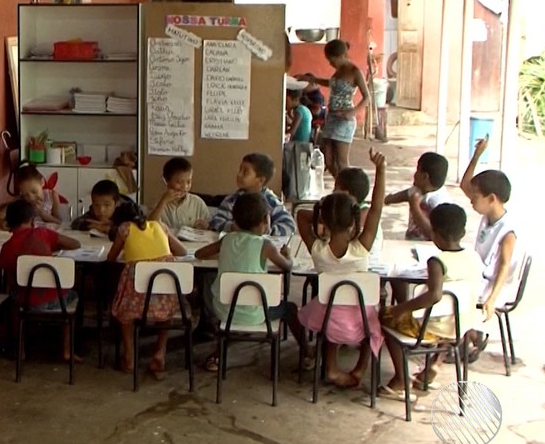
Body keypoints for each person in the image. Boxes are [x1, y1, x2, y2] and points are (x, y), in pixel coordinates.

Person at [291, 150, 387, 388]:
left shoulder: (318, 250)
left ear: (324, 220)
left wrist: (320, 213)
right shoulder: (362, 247)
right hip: (361, 322)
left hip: (328, 320)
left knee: (329, 310)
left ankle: (332, 369)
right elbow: (375, 208)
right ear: (356, 221)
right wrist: (381, 170)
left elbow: (301, 215)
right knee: (377, 317)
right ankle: (359, 369)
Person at [379, 204, 481, 397]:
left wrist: (401, 309)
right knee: (444, 317)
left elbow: (434, 295)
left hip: (432, 328)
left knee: (384, 318)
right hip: (461, 325)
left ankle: (400, 380)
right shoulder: (473, 257)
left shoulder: (437, 261)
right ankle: (433, 367)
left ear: (435, 233)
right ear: (463, 231)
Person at [195, 193, 304, 372]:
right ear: (265, 221)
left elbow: (199, 254)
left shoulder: (226, 240)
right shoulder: (265, 246)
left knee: (235, 308)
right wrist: (288, 255)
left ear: (235, 220)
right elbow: (288, 267)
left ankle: (217, 353)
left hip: (223, 311)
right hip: (256, 314)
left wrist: (224, 253)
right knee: (290, 308)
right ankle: (307, 353)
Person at [107, 202, 188, 378]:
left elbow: (111, 258)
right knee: (166, 315)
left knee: (124, 315)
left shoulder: (124, 228)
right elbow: (182, 251)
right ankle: (160, 352)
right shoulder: (160, 225)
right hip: (164, 303)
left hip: (136, 304)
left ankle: (129, 356)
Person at [0, 200, 82, 363]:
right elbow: (75, 244)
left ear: (8, 222)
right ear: (32, 220)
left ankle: (20, 349)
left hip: (26, 302)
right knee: (75, 295)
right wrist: (51, 248)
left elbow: (11, 282)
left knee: (13, 301)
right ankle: (66, 350)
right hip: (58, 302)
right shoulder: (43, 233)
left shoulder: (7, 247)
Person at [460, 136, 519, 362]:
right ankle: (471, 335)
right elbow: (466, 185)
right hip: (480, 275)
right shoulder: (488, 213)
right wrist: (477, 156)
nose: (471, 200)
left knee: (451, 291)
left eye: (476, 197)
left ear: (492, 198)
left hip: (494, 284)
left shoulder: (508, 230)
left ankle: (467, 337)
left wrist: (492, 300)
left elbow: (504, 266)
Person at [310, 40, 370, 178]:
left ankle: (348, 190)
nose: (330, 64)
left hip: (344, 120)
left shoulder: (355, 71)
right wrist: (313, 79)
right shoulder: (338, 71)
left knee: (342, 162)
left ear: (342, 55)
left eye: (332, 60)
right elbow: (332, 84)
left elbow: (367, 97)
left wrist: (353, 112)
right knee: (329, 160)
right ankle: (341, 184)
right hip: (332, 118)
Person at [208, 153, 297, 236]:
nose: (239, 174)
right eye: (240, 170)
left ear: (261, 180)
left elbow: (289, 225)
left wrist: (267, 231)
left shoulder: (271, 202)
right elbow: (217, 221)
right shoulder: (231, 200)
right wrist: (231, 227)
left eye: (245, 172)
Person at [384, 152, 452, 241]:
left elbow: (432, 233)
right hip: (412, 239)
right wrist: (387, 200)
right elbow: (406, 194)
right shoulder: (419, 189)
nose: (414, 174)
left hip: (428, 247)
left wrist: (415, 207)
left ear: (425, 176)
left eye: (417, 170)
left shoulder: (440, 203)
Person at [0, 165, 64, 229]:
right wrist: (2, 224)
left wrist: (42, 213)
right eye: (25, 195)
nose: (31, 198)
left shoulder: (51, 196)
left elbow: (59, 221)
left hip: (48, 235)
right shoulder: (21, 201)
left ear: (42, 182)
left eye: (34, 191)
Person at [148, 157, 210, 231]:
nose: (185, 187)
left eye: (188, 182)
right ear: (166, 181)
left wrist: (205, 226)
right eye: (179, 182)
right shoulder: (158, 203)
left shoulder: (197, 203)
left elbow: (210, 226)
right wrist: (163, 202)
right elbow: (150, 226)